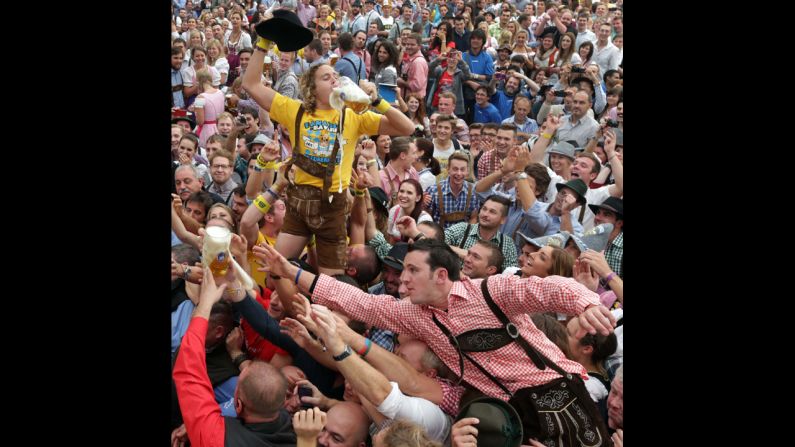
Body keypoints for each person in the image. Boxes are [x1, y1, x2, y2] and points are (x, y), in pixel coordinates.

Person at [253, 238, 615, 446]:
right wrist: (291, 272)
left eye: (413, 271)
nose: (402, 279)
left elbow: (549, 287)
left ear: (441, 275)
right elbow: (360, 303)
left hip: (556, 396)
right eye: (402, 270)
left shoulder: (491, 291)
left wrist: (584, 302)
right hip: (506, 413)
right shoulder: (415, 315)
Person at [242, 26, 414, 276]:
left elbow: (407, 127)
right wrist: (264, 42)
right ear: (311, 88)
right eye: (326, 77)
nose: (335, 79)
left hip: (333, 208)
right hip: (299, 204)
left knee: (330, 286)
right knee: (275, 273)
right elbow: (250, 83)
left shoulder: (354, 115)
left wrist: (377, 101)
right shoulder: (295, 109)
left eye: (335, 75)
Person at [172, 268, 297, 447]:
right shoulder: (297, 430)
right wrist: (232, 281)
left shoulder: (215, 437)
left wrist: (205, 304)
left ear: (237, 403)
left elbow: (189, 370)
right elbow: (258, 315)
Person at [426, 151, 480, 228]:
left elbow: (473, 218)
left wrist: (467, 236)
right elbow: (427, 219)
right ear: (448, 169)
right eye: (455, 169)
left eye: (462, 169)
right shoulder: (434, 191)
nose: (459, 173)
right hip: (439, 236)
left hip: (463, 237)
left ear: (467, 171)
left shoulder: (473, 192)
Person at [193, 68, 226, 149]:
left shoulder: (200, 97)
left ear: (198, 82)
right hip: (220, 127)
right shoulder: (220, 92)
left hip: (206, 131)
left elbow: (200, 122)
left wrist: (195, 112)